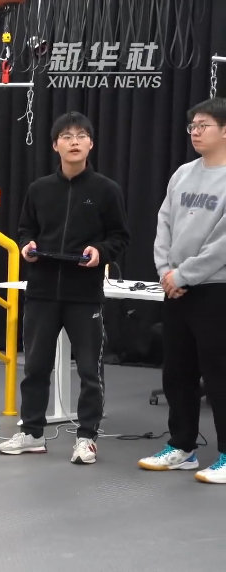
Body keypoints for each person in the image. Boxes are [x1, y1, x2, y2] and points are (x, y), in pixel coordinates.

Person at [0, 111, 130, 464]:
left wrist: (99, 252)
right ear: (55, 145)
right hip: (42, 291)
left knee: (89, 370)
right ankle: (32, 432)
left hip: (84, 294)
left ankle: (86, 438)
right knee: (35, 367)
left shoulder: (106, 190)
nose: (74, 142)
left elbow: (120, 237)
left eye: (81, 135)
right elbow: (25, 229)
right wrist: (26, 245)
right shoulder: (39, 189)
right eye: (67, 136)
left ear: (91, 144)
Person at [140, 97, 226, 483]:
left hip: (215, 289)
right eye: (192, 126)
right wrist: (166, 272)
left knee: (219, 374)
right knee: (178, 372)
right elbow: (164, 224)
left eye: (204, 125)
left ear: (225, 130)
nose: (195, 132)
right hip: (175, 289)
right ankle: (182, 447)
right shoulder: (182, 174)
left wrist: (185, 274)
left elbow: (222, 243)